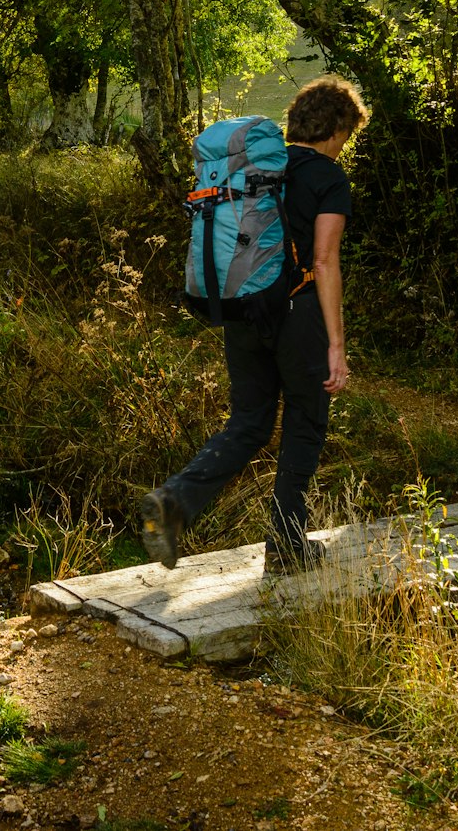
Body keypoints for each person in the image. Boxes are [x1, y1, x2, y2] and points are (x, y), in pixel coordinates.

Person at [140, 75, 369, 571]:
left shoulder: (262, 169)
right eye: (346, 134)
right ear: (334, 129)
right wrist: (336, 345)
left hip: (244, 308)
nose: (343, 144)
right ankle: (287, 545)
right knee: (305, 423)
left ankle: (174, 503)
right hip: (299, 312)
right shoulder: (327, 177)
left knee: (248, 422)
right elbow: (325, 261)